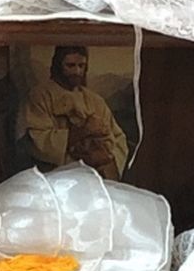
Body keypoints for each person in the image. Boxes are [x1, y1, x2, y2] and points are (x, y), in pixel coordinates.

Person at [19, 44, 129, 179]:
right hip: (57, 178)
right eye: (70, 66)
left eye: (81, 66)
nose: (77, 71)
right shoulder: (40, 96)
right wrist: (80, 132)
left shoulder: (95, 100)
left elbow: (118, 138)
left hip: (94, 178)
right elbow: (36, 139)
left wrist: (107, 158)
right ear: (58, 65)